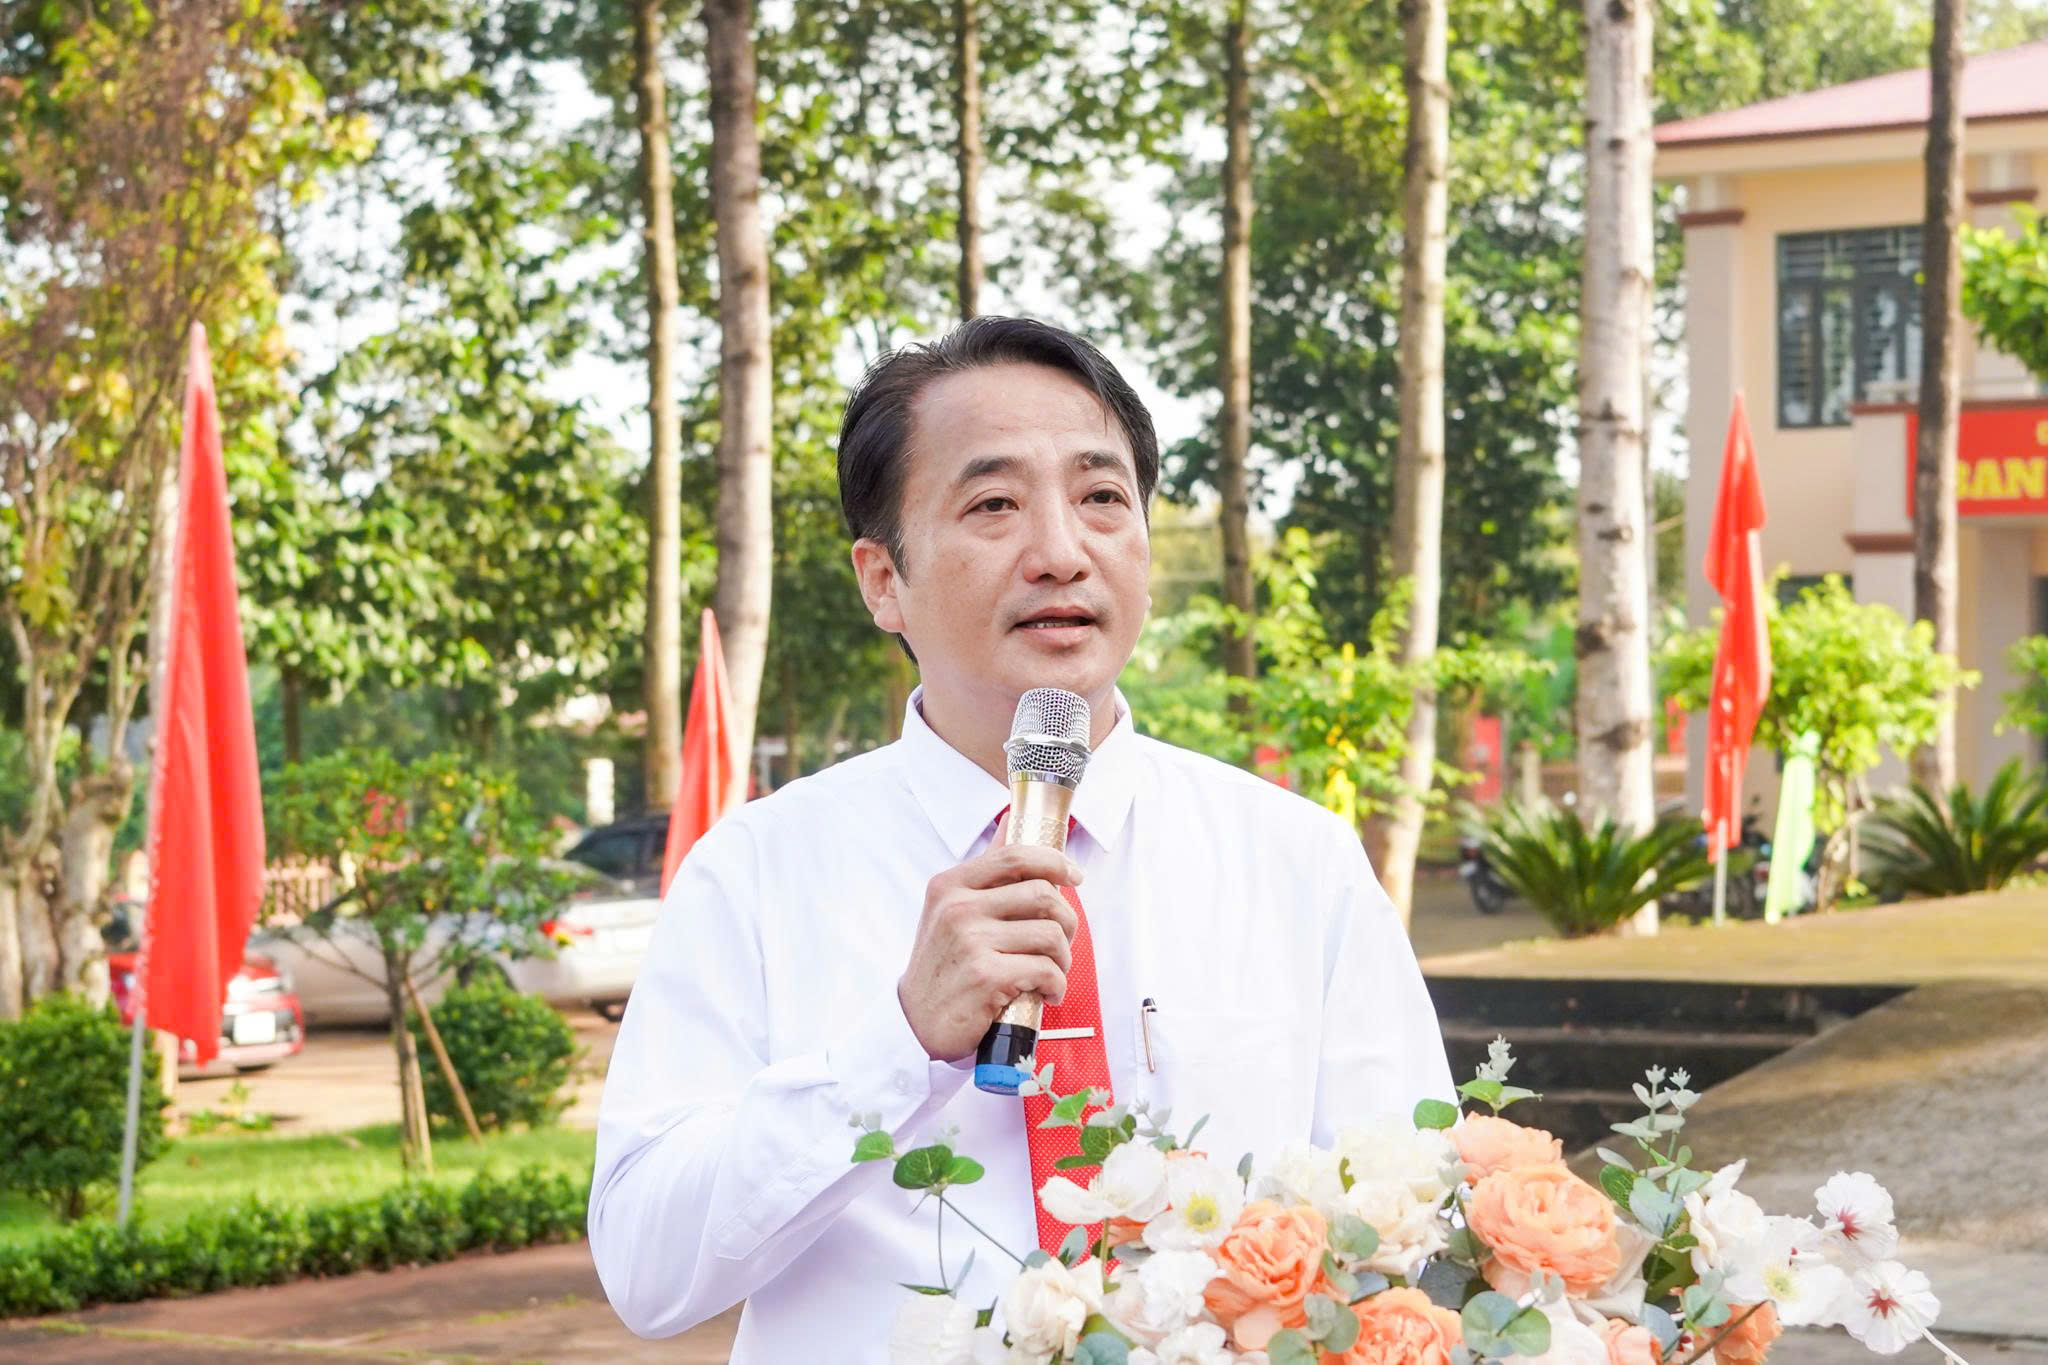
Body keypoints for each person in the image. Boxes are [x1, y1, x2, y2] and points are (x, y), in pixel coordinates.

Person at [589, 316, 1452, 1357]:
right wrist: (898, 1044)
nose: (1060, 552)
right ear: (882, 579)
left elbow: (1421, 1227)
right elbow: (645, 1270)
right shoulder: (756, 872)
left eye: (1101, 498)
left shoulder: (1297, 861)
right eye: (993, 505)